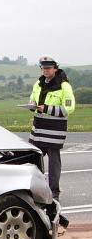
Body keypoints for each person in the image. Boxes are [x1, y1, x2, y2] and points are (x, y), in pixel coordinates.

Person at [27, 56, 75, 201]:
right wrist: (32, 105)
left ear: (55, 68)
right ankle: (36, 188)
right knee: (33, 159)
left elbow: (69, 108)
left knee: (54, 163)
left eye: (48, 68)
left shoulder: (64, 85)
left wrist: (46, 108)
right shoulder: (38, 83)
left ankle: (54, 192)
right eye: (43, 68)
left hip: (54, 131)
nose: (45, 71)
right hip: (38, 129)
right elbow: (32, 99)